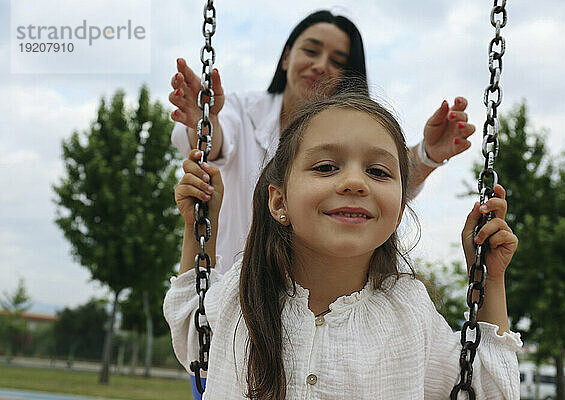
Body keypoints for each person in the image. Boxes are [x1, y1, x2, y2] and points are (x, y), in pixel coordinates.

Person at [164, 92, 522, 399]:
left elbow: (484, 391)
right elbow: (192, 334)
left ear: (398, 211)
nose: (354, 182)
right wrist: (198, 228)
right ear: (279, 202)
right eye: (326, 166)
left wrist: (489, 279)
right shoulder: (245, 290)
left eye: (379, 172)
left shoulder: (409, 312)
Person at [168, 10, 476, 273]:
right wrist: (204, 122)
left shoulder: (358, 130)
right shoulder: (241, 111)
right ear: (287, 56)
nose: (320, 65)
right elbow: (217, 143)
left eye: (337, 60)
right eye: (311, 51)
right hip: (238, 287)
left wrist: (427, 153)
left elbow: (384, 177)